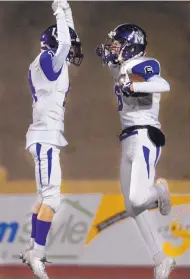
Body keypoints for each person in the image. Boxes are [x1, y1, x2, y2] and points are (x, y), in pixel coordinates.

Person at [96, 23, 176, 279]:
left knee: (141, 198)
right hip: (127, 140)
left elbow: (163, 84)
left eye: (118, 43)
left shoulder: (143, 64)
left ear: (131, 45)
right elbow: (116, 68)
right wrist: (107, 56)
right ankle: (160, 257)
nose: (114, 47)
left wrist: (135, 87)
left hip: (144, 136)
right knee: (132, 207)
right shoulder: (122, 67)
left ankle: (160, 190)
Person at [20, 0, 83, 278]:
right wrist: (59, 11)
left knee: (43, 197)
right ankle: (38, 253)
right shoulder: (47, 59)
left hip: (45, 135)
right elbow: (66, 43)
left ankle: (33, 248)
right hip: (45, 135)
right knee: (53, 199)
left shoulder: (46, 59)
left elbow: (68, 38)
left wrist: (67, 12)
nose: (71, 49)